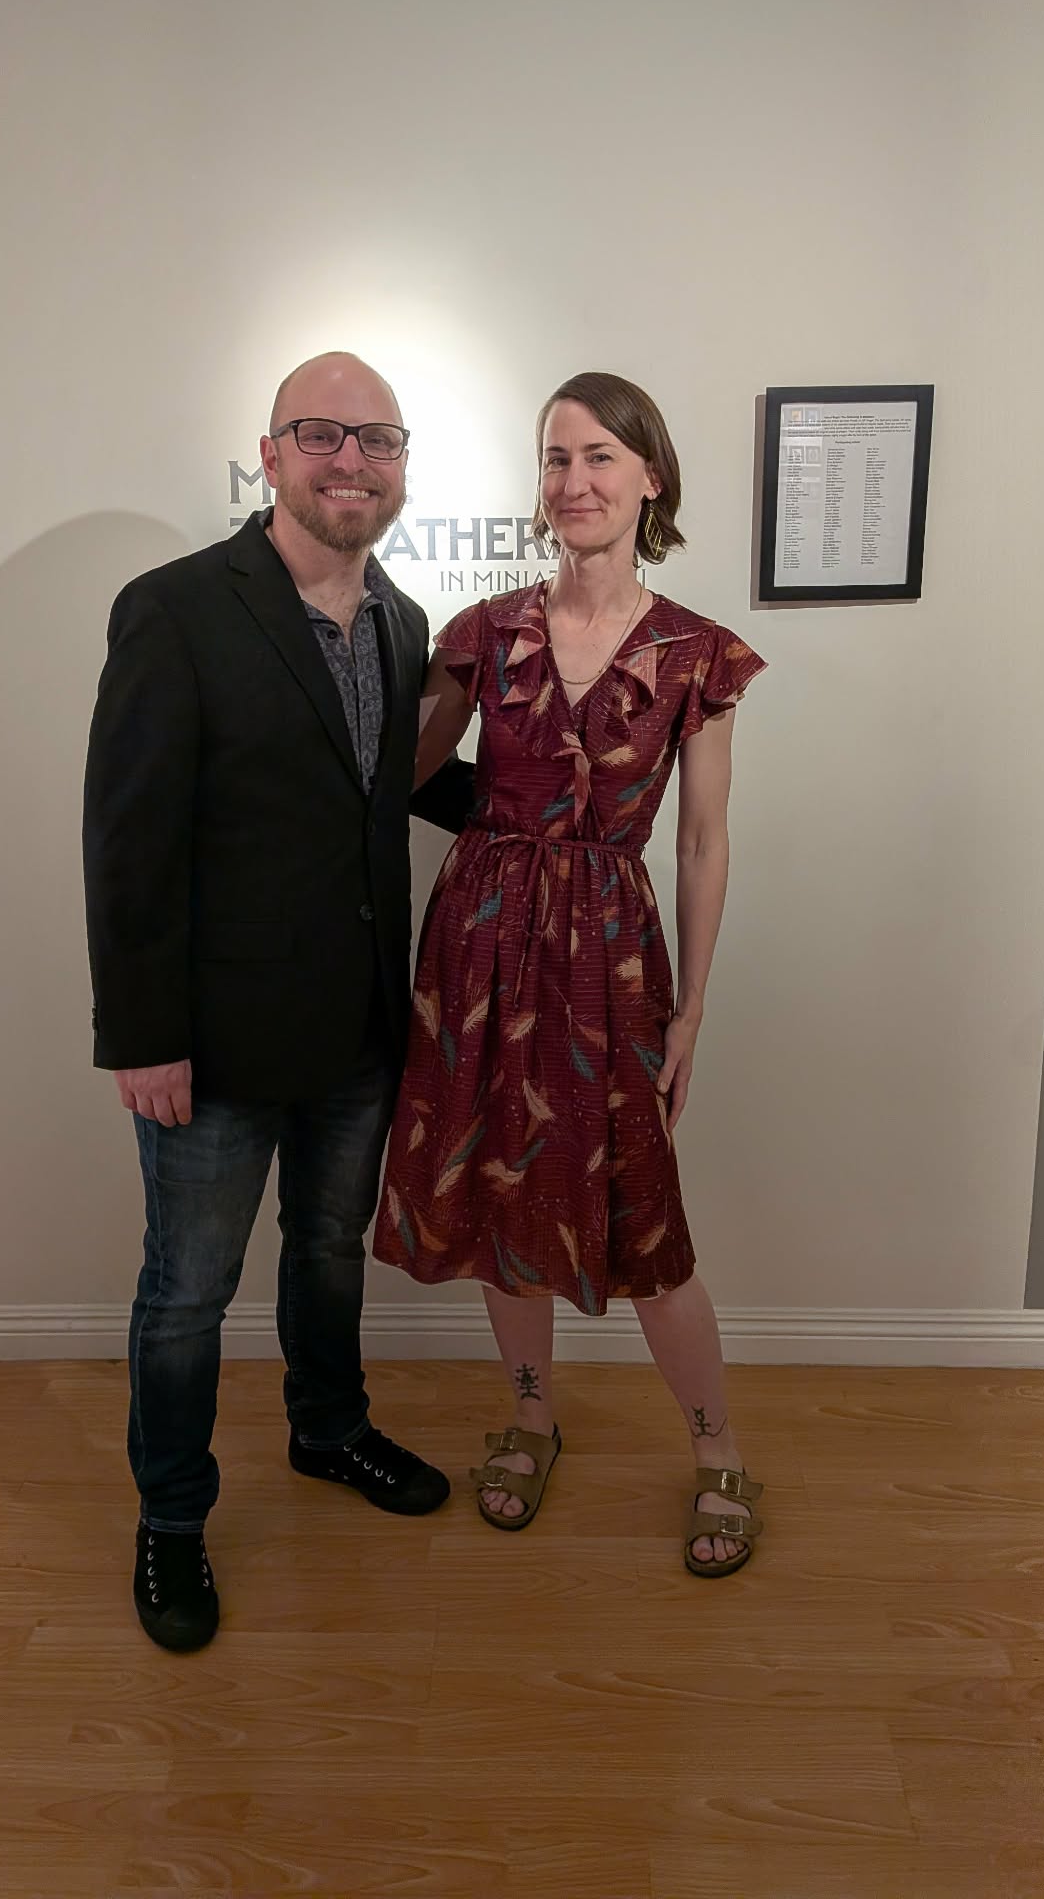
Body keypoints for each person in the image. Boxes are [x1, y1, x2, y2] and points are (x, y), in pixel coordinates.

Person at [83, 352, 474, 1652]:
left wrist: (557, 811)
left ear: (403, 463)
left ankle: (329, 1433)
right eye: (322, 434)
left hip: (359, 1030)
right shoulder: (178, 609)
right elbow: (130, 841)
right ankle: (173, 1525)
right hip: (214, 1043)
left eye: (376, 439)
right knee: (187, 1293)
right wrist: (142, 1039)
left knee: (323, 1253)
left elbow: (382, 787)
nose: (349, 460)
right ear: (270, 453)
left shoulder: (403, 624)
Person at [374, 371, 766, 1579]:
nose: (574, 482)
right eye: (555, 459)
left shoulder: (699, 653)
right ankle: (532, 1416)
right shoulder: (483, 630)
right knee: (500, 1188)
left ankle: (718, 1452)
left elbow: (701, 840)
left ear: (651, 477)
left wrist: (693, 1006)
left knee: (646, 1216)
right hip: (481, 933)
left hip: (611, 946)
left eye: (600, 456)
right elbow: (395, 769)